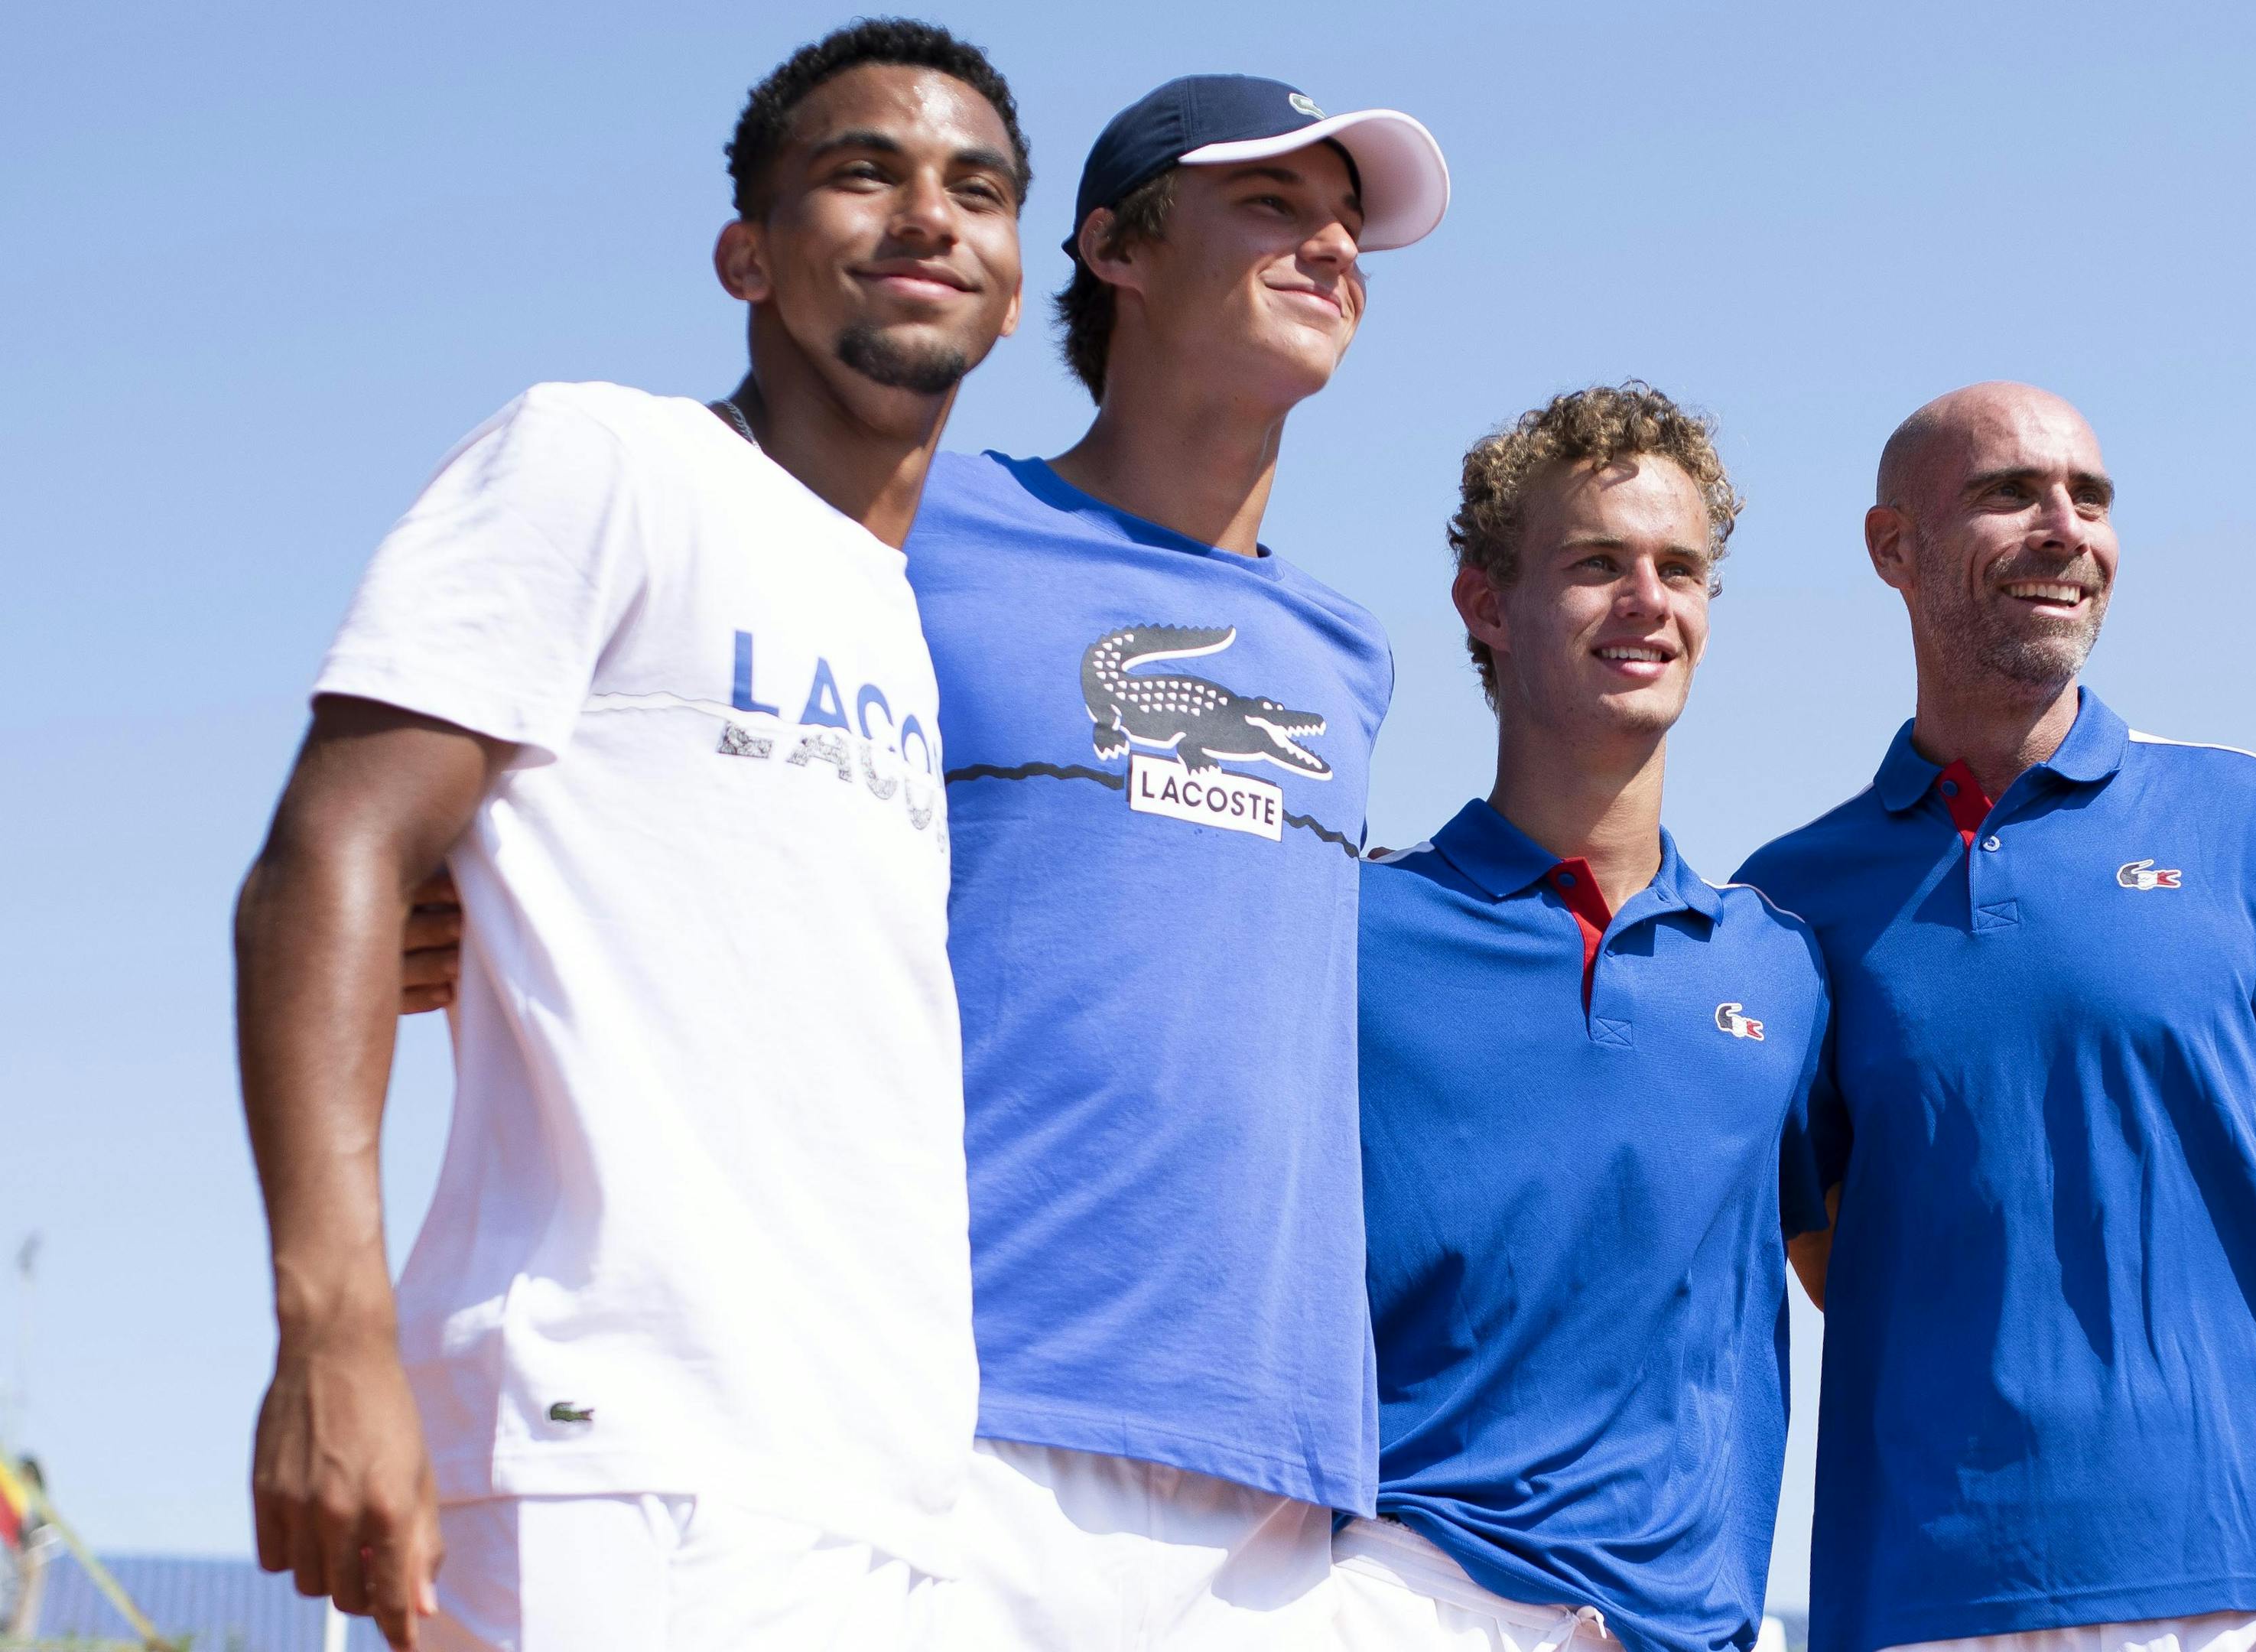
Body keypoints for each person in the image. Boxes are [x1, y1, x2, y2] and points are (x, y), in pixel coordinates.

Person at [233, 22, 1029, 1649]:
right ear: (748, 253)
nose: (928, 215)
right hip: (612, 1449)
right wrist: (332, 1334)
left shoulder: (912, 618)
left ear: (1016, 280)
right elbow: (330, 856)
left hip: (876, 1495)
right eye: (861, 172)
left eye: (978, 189)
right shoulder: (605, 459)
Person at [1738, 384, 2256, 1652]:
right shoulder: (1788, 902)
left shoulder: (2248, 823)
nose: (2068, 528)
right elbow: (1822, 1239)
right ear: (1893, 547)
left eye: (2094, 498)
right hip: (1918, 1595)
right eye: (2010, 493)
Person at [899, 76, 1448, 1647]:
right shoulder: (919, 521)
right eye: (1272, 205)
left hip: (1275, 1473)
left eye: (1351, 226)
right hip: (967, 1412)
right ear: (1113, 249)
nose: (1332, 246)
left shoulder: (1350, 655)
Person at [1332, 385, 1829, 1652]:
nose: (1648, 602)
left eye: (1682, 569)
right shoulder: (1346, 930)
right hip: (1399, 1589)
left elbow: (1877, 1284)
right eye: (1597, 564)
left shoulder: (1781, 969)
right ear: (1487, 603)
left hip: (1694, 1624)